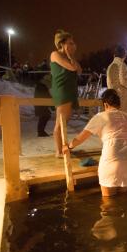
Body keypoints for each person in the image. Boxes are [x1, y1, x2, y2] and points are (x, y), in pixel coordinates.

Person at [62, 89, 127, 197]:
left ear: (105, 104)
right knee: (124, 200)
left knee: (108, 205)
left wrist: (69, 147)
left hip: (112, 161)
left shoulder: (101, 117)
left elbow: (80, 138)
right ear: (118, 104)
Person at [50, 29, 82, 157]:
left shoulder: (70, 58)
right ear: (62, 44)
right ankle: (59, 151)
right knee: (60, 123)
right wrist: (69, 56)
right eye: (70, 43)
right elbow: (72, 68)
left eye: (73, 43)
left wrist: (70, 56)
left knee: (64, 122)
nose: (74, 45)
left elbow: (79, 70)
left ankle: (63, 149)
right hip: (62, 91)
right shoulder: (55, 54)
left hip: (70, 91)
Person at [106, 45, 127, 121]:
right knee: (124, 119)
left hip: (112, 96)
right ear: (124, 55)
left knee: (115, 120)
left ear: (114, 55)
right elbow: (123, 81)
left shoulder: (110, 66)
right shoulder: (122, 65)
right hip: (122, 97)